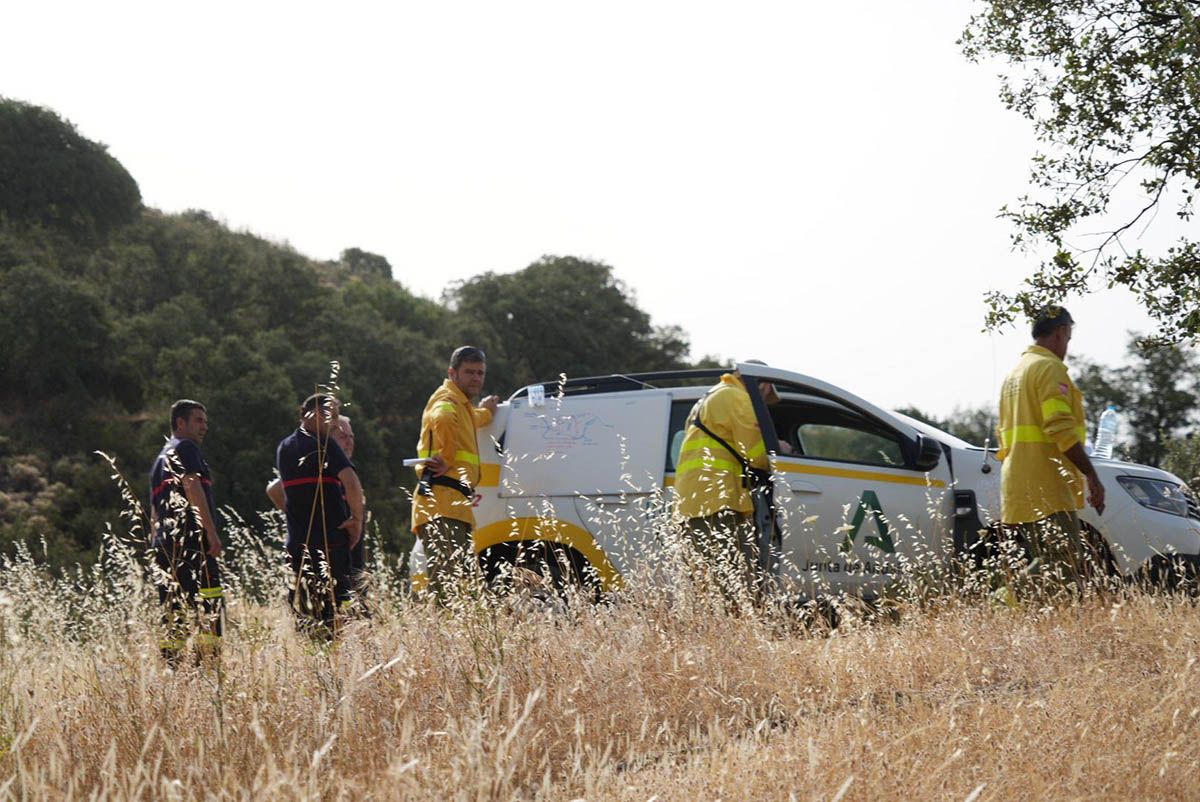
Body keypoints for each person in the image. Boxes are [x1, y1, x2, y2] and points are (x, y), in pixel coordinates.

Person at [996, 306, 1106, 592]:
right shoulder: (1049, 368)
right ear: (1061, 332)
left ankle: (1016, 610)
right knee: (1064, 561)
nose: (1067, 346)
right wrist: (1091, 475)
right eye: (1068, 339)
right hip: (1046, 482)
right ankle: (1003, 602)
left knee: (1052, 562)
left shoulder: (1015, 373)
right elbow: (1059, 428)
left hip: (1019, 482)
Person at [674, 366, 781, 601]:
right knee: (732, 579)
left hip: (698, 498)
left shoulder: (711, 396)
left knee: (711, 579)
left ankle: (725, 628)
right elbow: (755, 453)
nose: (763, 402)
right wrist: (782, 452)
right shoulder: (736, 396)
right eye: (766, 395)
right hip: (716, 498)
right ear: (762, 385)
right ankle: (736, 629)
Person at [411, 346, 498, 602]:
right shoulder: (447, 401)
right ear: (452, 373)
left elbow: (472, 419)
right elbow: (443, 418)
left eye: (480, 373)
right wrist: (446, 457)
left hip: (453, 504)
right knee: (447, 586)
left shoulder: (463, 406)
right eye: (469, 372)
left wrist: (488, 412)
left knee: (461, 583)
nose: (476, 378)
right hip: (441, 503)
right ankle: (441, 640)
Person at [275, 393, 365, 634]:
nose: (334, 423)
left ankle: (312, 664)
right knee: (337, 613)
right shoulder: (325, 445)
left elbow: (276, 489)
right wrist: (357, 520)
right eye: (330, 416)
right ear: (312, 414)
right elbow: (352, 483)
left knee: (305, 616)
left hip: (297, 545)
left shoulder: (284, 447)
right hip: (330, 543)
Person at [149, 399, 224, 664]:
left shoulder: (160, 458)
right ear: (180, 423)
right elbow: (192, 485)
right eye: (198, 421)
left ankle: (172, 667)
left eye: (206, 421)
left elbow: (155, 512)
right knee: (211, 603)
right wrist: (211, 533)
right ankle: (209, 666)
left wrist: (157, 545)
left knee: (173, 609)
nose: (205, 426)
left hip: (166, 546)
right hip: (193, 542)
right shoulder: (186, 447)